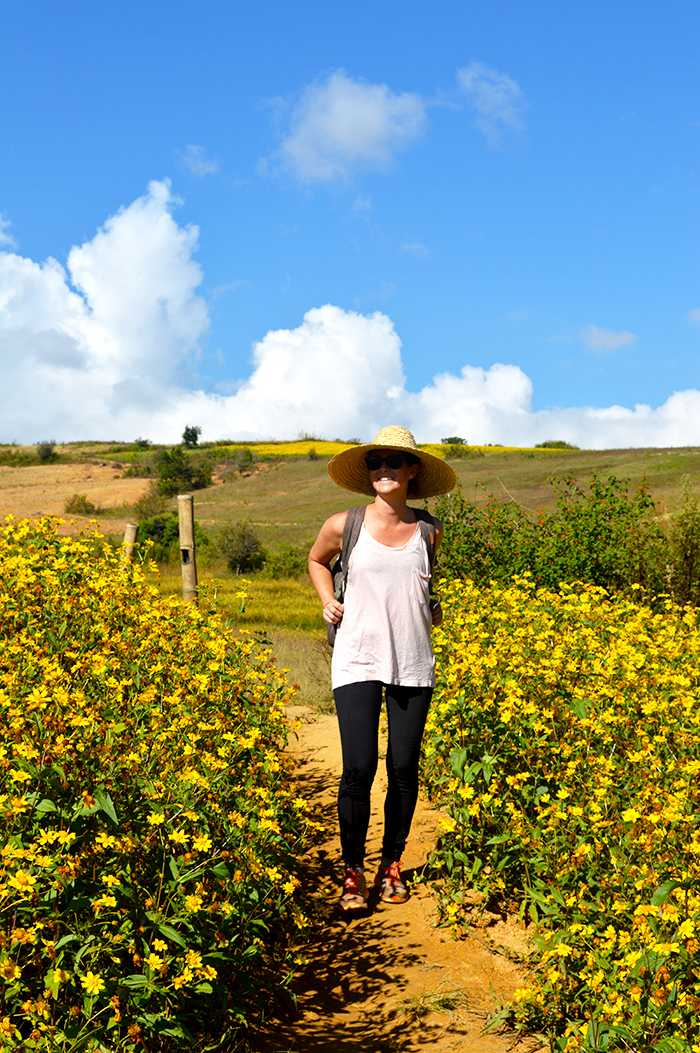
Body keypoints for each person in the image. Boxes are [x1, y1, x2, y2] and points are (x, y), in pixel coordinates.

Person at [308, 426, 456, 913]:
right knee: (357, 769)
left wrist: (431, 607)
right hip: (356, 658)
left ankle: (391, 863)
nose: (384, 470)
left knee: (403, 769)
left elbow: (421, 585)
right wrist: (328, 599)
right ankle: (353, 872)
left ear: (413, 470)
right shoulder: (342, 524)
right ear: (367, 472)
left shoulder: (430, 529)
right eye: (376, 462)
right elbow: (316, 560)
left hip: (413, 661)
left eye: (394, 461)